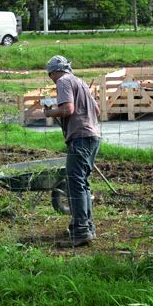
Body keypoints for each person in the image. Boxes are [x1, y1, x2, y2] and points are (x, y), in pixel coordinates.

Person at [43, 55, 101, 246]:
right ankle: (86, 227)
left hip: (80, 137)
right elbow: (97, 110)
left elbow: (68, 109)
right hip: (93, 136)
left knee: (74, 183)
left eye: (50, 75)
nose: (52, 79)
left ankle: (81, 231)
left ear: (53, 72)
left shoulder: (63, 81)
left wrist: (50, 112)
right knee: (82, 183)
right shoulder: (80, 82)